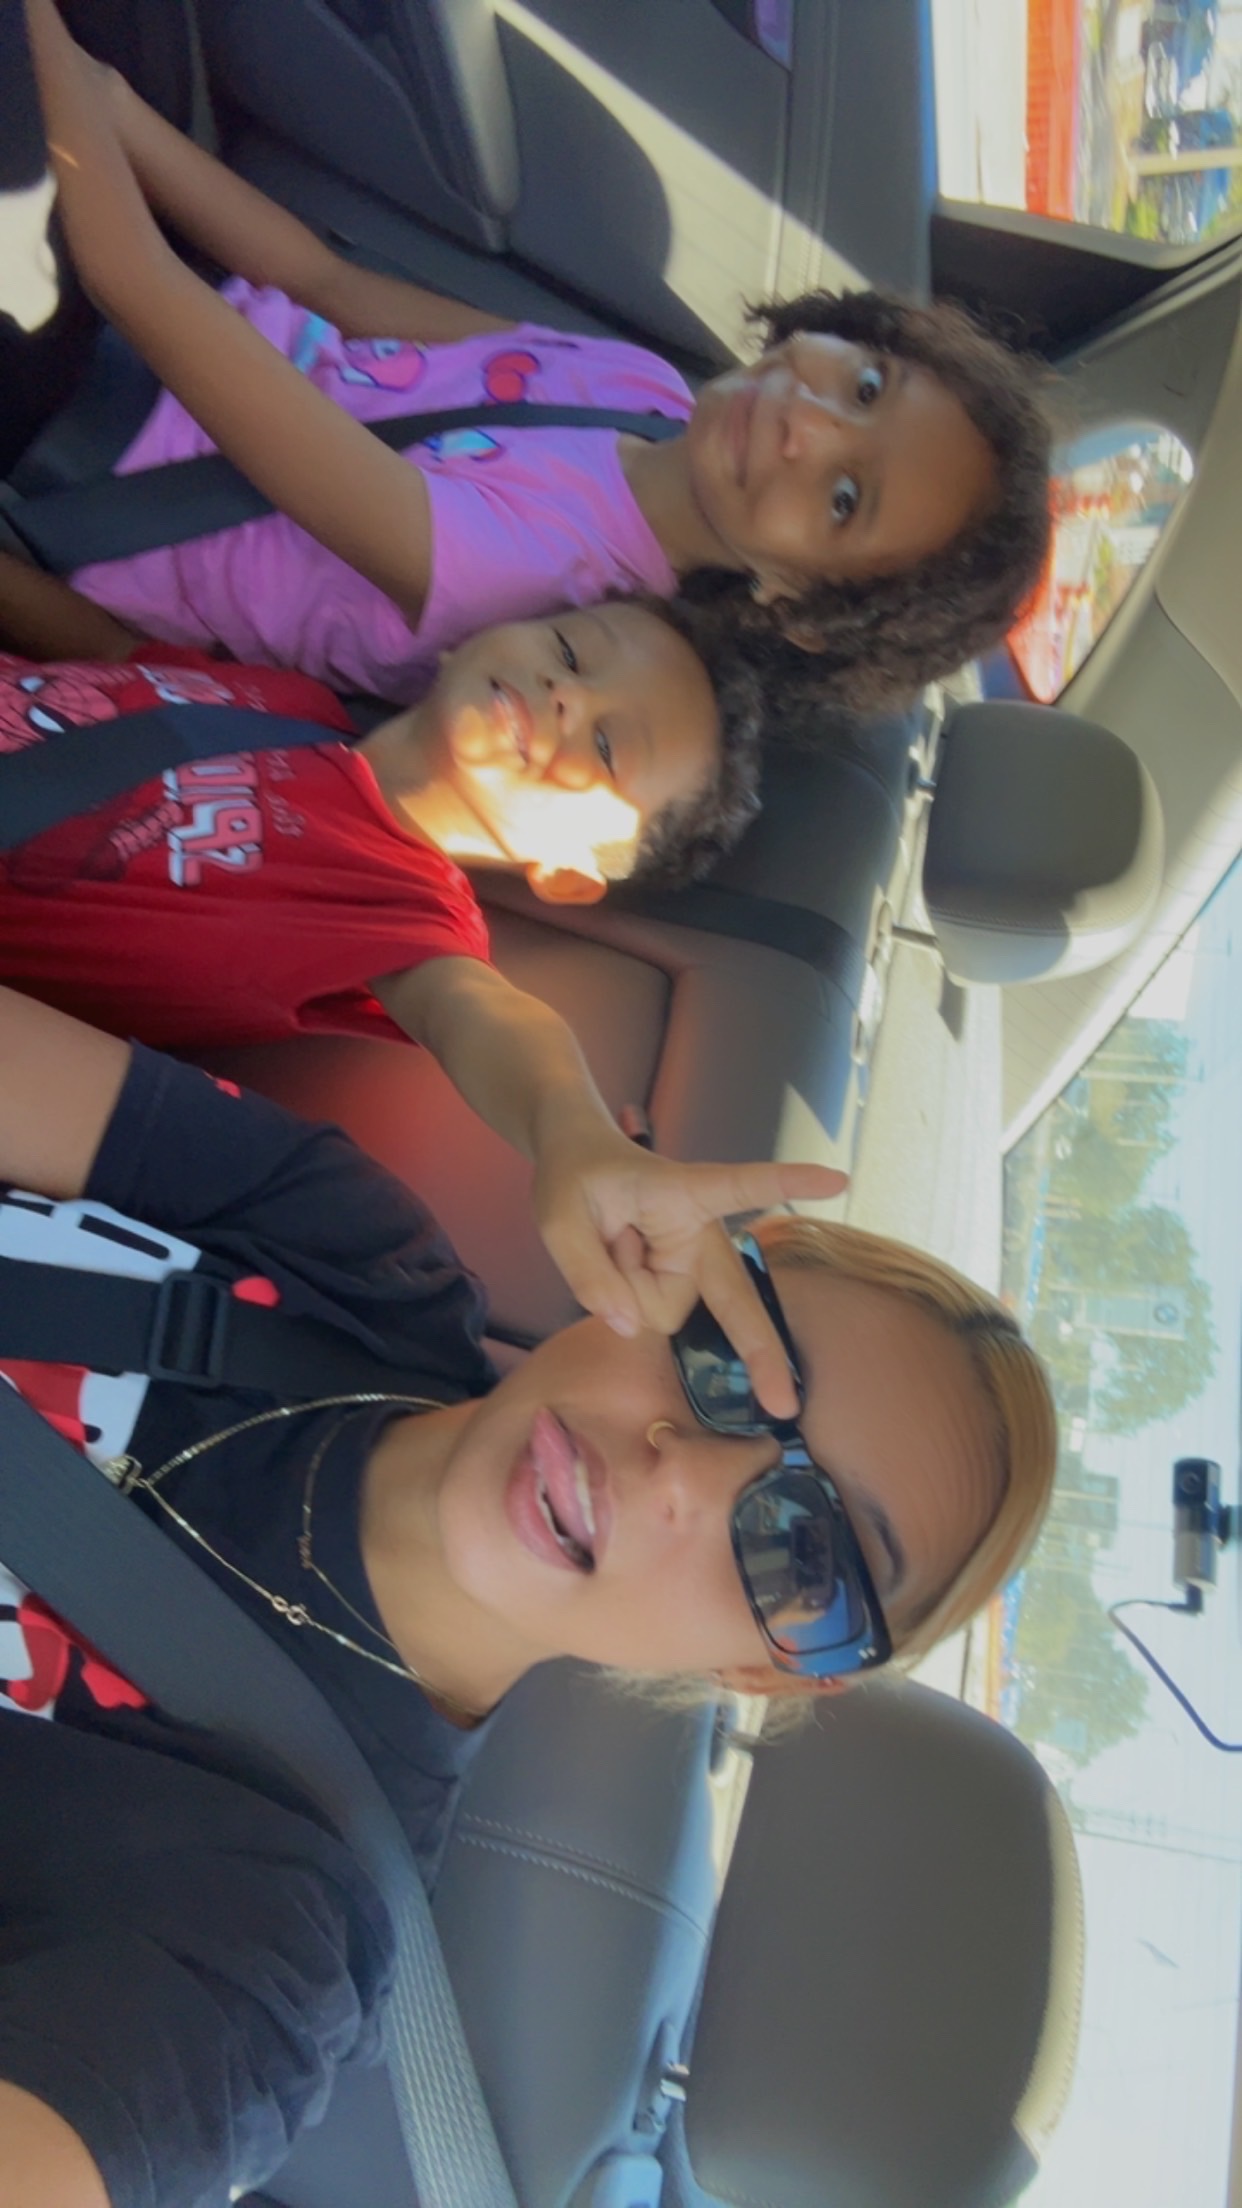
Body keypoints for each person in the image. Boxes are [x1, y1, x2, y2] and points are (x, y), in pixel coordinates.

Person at [0, 979, 1058, 2208]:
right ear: (660, 1264)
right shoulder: (344, 1251)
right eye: (729, 1358)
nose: (677, 1478)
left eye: (803, 1556)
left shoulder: (266, 1926)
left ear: (759, 1669)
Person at [24, 2, 1052, 709]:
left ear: (800, 607)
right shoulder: (644, 392)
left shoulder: (523, 578)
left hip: (72, 452)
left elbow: (136, 283)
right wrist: (112, 103)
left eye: (843, 498)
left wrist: (53, 65)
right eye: (867, 385)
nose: (809, 426)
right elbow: (324, 284)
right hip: (144, 318)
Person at [0, 546, 823, 1403]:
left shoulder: (407, 915)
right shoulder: (292, 702)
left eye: (609, 746)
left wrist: (574, 1133)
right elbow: (105, 653)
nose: (566, 695)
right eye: (571, 650)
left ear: (570, 873)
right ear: (473, 641)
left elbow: (484, 1016)